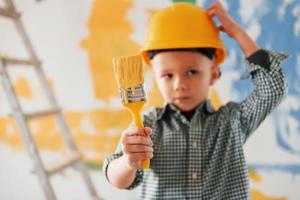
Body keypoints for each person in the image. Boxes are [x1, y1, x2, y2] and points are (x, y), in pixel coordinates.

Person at [103, 1, 288, 199]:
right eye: (168, 75)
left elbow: (273, 88)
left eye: (192, 72)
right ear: (155, 78)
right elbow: (118, 178)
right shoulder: (148, 123)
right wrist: (128, 162)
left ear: (214, 74)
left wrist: (236, 33)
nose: (179, 85)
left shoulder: (233, 121)